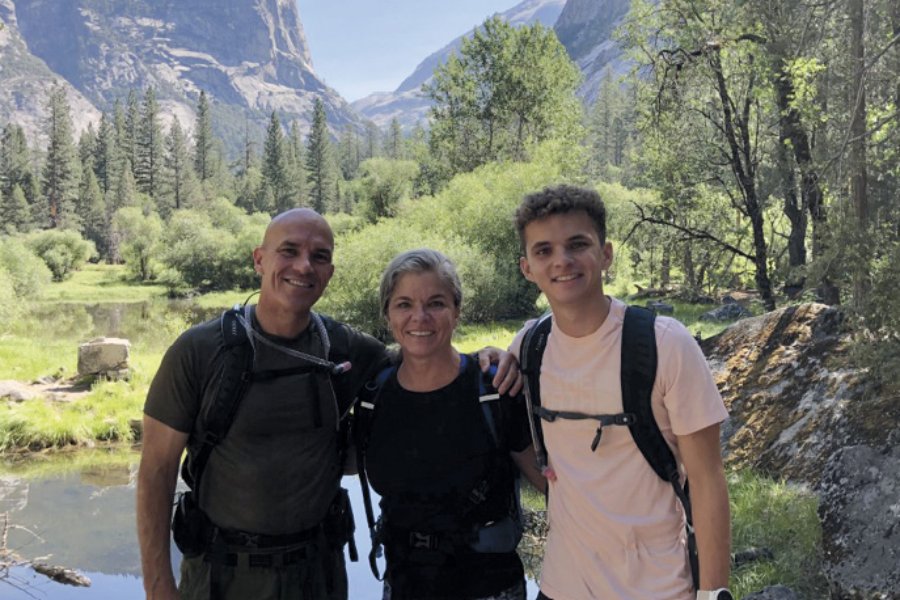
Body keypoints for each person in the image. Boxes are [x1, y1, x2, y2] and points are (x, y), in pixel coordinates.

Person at [136, 208, 520, 600]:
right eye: (289, 251)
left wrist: (487, 358)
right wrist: (158, 587)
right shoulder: (198, 352)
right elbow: (156, 471)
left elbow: (423, 349)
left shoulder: (345, 349)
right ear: (259, 259)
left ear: (330, 272)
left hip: (319, 574)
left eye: (319, 256)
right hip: (221, 576)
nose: (303, 266)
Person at [511, 185, 732, 600]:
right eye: (544, 251)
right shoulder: (528, 347)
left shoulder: (665, 344)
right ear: (527, 268)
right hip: (562, 586)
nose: (562, 260)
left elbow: (708, 481)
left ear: (606, 254)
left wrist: (713, 593)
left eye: (578, 244)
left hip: (658, 587)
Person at [356, 249, 545, 600]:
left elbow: (556, 487)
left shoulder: (495, 389)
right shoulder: (372, 396)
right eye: (404, 304)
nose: (420, 317)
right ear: (387, 314)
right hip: (402, 586)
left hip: (489, 589)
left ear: (457, 311)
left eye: (436, 303)